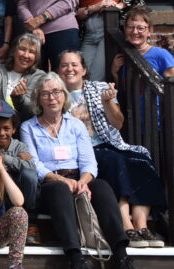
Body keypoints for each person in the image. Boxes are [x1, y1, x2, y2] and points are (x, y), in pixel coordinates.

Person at [20, 74, 145, 269]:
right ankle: (75, 259)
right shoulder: (28, 127)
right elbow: (34, 164)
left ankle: (121, 257)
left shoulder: (76, 125)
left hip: (78, 178)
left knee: (103, 187)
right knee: (60, 190)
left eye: (56, 92)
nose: (52, 98)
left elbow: (89, 162)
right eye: (45, 93)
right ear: (38, 99)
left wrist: (83, 182)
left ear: (64, 96)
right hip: (49, 183)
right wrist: (62, 180)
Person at [109, 7, 174, 263]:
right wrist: (115, 72)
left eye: (141, 27)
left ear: (149, 31)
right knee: (149, 182)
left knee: (172, 182)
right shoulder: (124, 57)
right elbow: (124, 93)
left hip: (161, 128)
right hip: (135, 131)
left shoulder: (161, 55)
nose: (135, 31)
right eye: (131, 26)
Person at [59, 50, 165, 248]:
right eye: (64, 65)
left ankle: (142, 225)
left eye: (74, 65)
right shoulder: (56, 94)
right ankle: (125, 224)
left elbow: (118, 123)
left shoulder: (100, 88)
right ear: (58, 71)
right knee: (115, 161)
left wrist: (107, 102)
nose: (69, 69)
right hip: (82, 151)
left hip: (109, 142)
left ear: (84, 70)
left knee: (141, 160)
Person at [0, 33, 46, 121]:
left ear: (36, 57)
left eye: (31, 52)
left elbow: (31, 111)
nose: (26, 55)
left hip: (23, 126)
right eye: (22, 49)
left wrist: (19, 98)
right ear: (14, 51)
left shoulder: (39, 76)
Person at [0, 100, 38, 217]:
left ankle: (30, 213)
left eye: (6, 128)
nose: (1, 133)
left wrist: (4, 158)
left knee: (29, 175)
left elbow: (31, 166)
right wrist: (17, 160)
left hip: (21, 190)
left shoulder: (20, 146)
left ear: (14, 129)